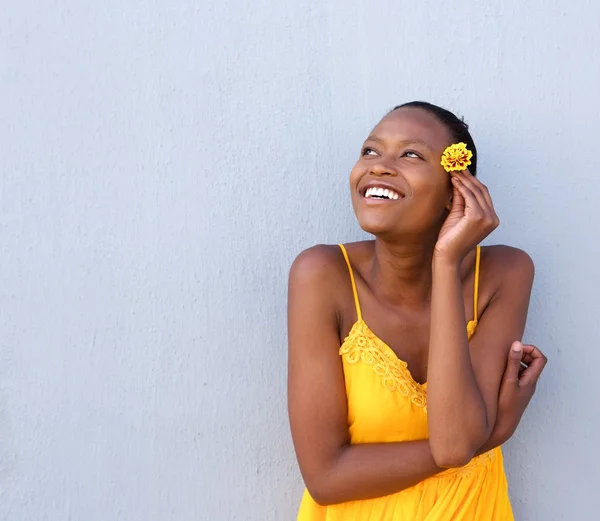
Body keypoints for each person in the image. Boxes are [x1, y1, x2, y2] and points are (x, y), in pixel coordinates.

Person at [287, 101, 548, 521]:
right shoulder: (321, 275)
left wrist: (446, 261)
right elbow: (325, 477)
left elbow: (453, 442)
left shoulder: (506, 272)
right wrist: (487, 437)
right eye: (370, 151)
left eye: (410, 154)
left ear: (455, 191)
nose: (379, 167)